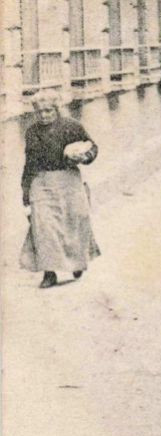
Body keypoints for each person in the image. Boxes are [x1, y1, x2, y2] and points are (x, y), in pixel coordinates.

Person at [19, 91, 100, 289]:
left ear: (56, 109)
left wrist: (85, 156)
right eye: (40, 112)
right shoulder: (32, 132)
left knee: (74, 221)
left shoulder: (71, 126)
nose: (44, 115)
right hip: (42, 182)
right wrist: (26, 191)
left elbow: (93, 147)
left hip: (68, 179)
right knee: (43, 227)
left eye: (48, 111)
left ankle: (76, 262)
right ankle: (49, 272)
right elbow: (29, 163)